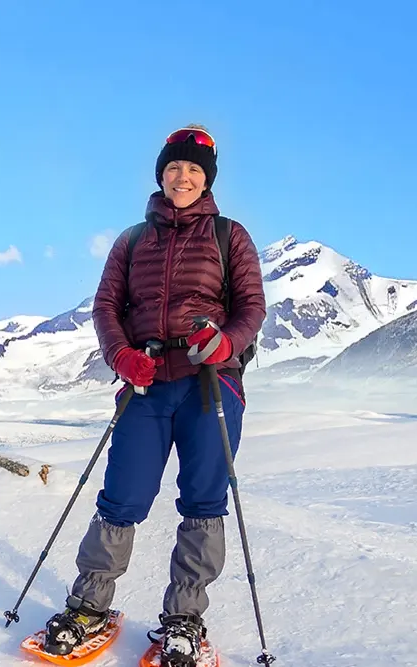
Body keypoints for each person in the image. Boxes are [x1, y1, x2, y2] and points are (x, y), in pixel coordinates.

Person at [40, 125, 267, 666]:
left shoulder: (229, 235)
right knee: (121, 497)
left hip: (211, 384)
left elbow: (252, 308)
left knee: (204, 502)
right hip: (145, 383)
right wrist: (120, 355)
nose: (182, 177)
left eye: (192, 169)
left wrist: (224, 343)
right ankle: (89, 606)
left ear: (206, 178)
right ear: (161, 175)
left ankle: (185, 619)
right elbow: (106, 308)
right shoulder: (132, 240)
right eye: (173, 168)